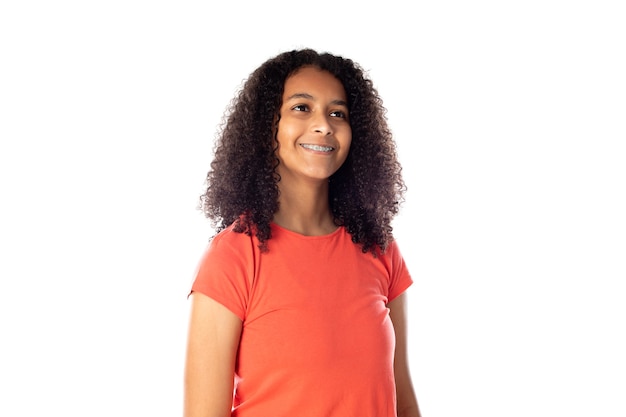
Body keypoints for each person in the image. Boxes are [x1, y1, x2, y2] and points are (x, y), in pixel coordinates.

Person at [183, 48, 422, 417]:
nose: (323, 124)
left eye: (337, 113)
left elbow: (402, 401)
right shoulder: (233, 256)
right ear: (267, 126)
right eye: (301, 107)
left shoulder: (379, 247)